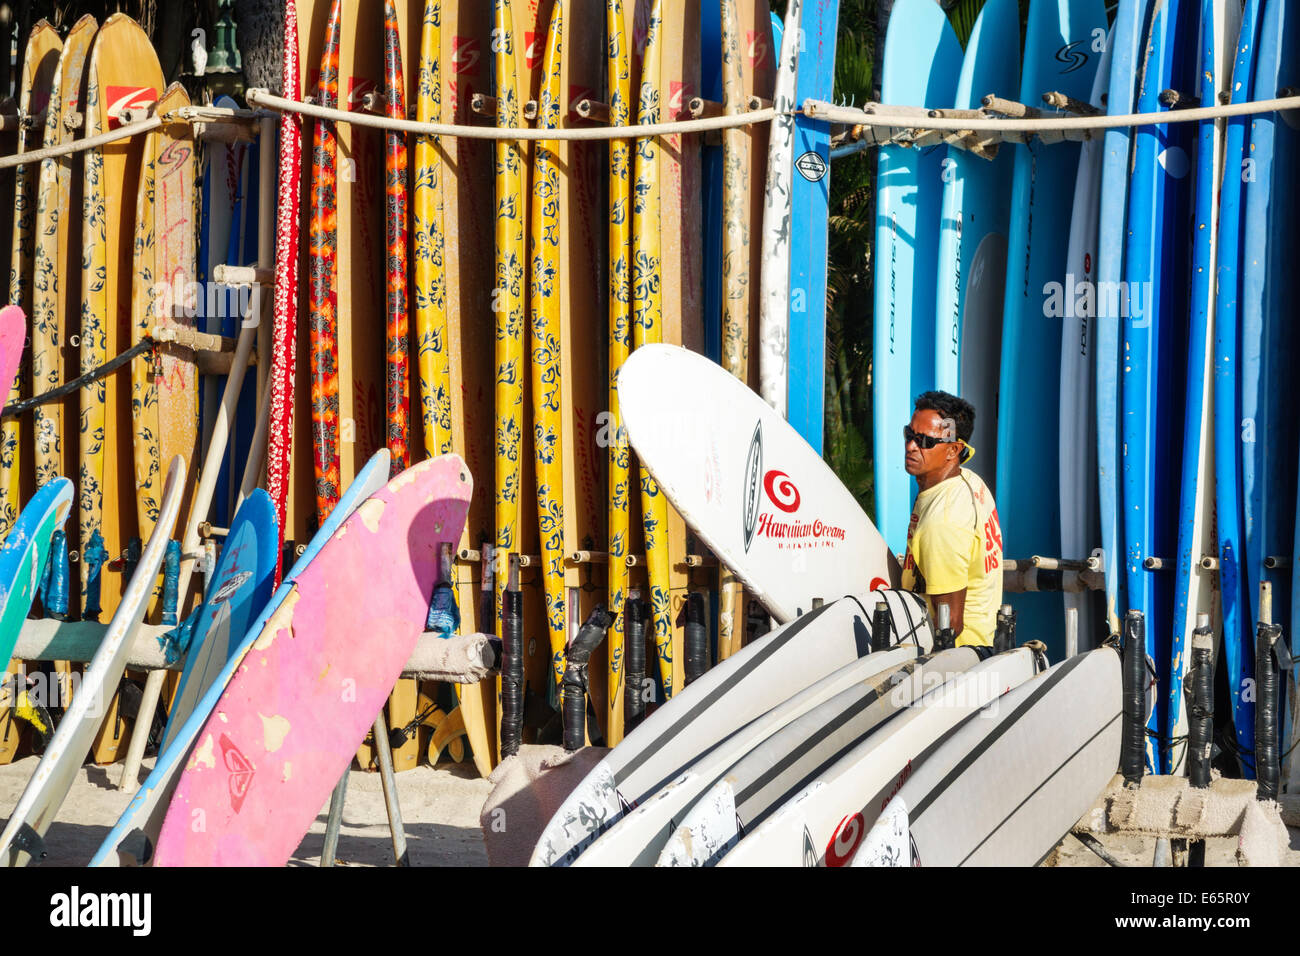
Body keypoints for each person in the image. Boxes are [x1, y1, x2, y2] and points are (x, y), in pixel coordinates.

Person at [899, 391, 1003, 654]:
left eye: (924, 441)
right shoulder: (969, 481)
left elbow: (949, 626)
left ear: (953, 450)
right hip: (980, 646)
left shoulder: (943, 520)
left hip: (956, 660)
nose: (911, 446)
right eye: (909, 435)